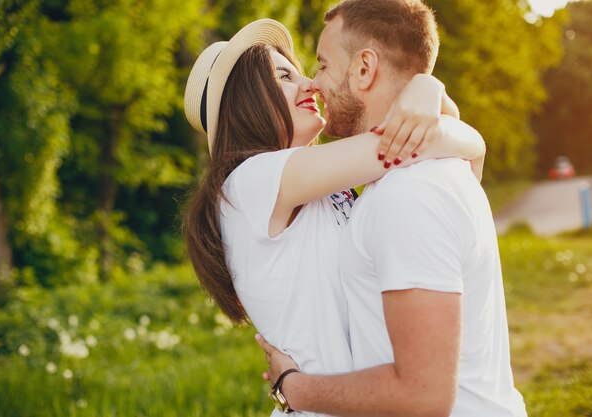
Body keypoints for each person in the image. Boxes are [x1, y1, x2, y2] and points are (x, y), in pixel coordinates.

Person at [182, 16, 484, 417]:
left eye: (305, 71)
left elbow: (460, 168)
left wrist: (433, 92)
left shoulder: (317, 192)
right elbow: (413, 146)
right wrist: (431, 94)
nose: (311, 84)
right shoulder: (249, 183)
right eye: (285, 76)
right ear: (247, 100)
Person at [256, 1, 527, 416]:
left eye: (324, 65)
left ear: (364, 68)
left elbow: (423, 396)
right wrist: (435, 95)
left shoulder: (410, 195)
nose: (316, 83)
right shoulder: (419, 175)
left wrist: (293, 388)